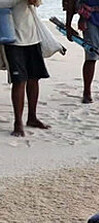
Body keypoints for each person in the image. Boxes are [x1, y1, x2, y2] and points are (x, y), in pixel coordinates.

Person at [0, 0, 50, 137]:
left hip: (33, 37)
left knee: (34, 78)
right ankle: (18, 123)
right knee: (19, 80)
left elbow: (37, 3)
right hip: (12, 37)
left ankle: (32, 117)